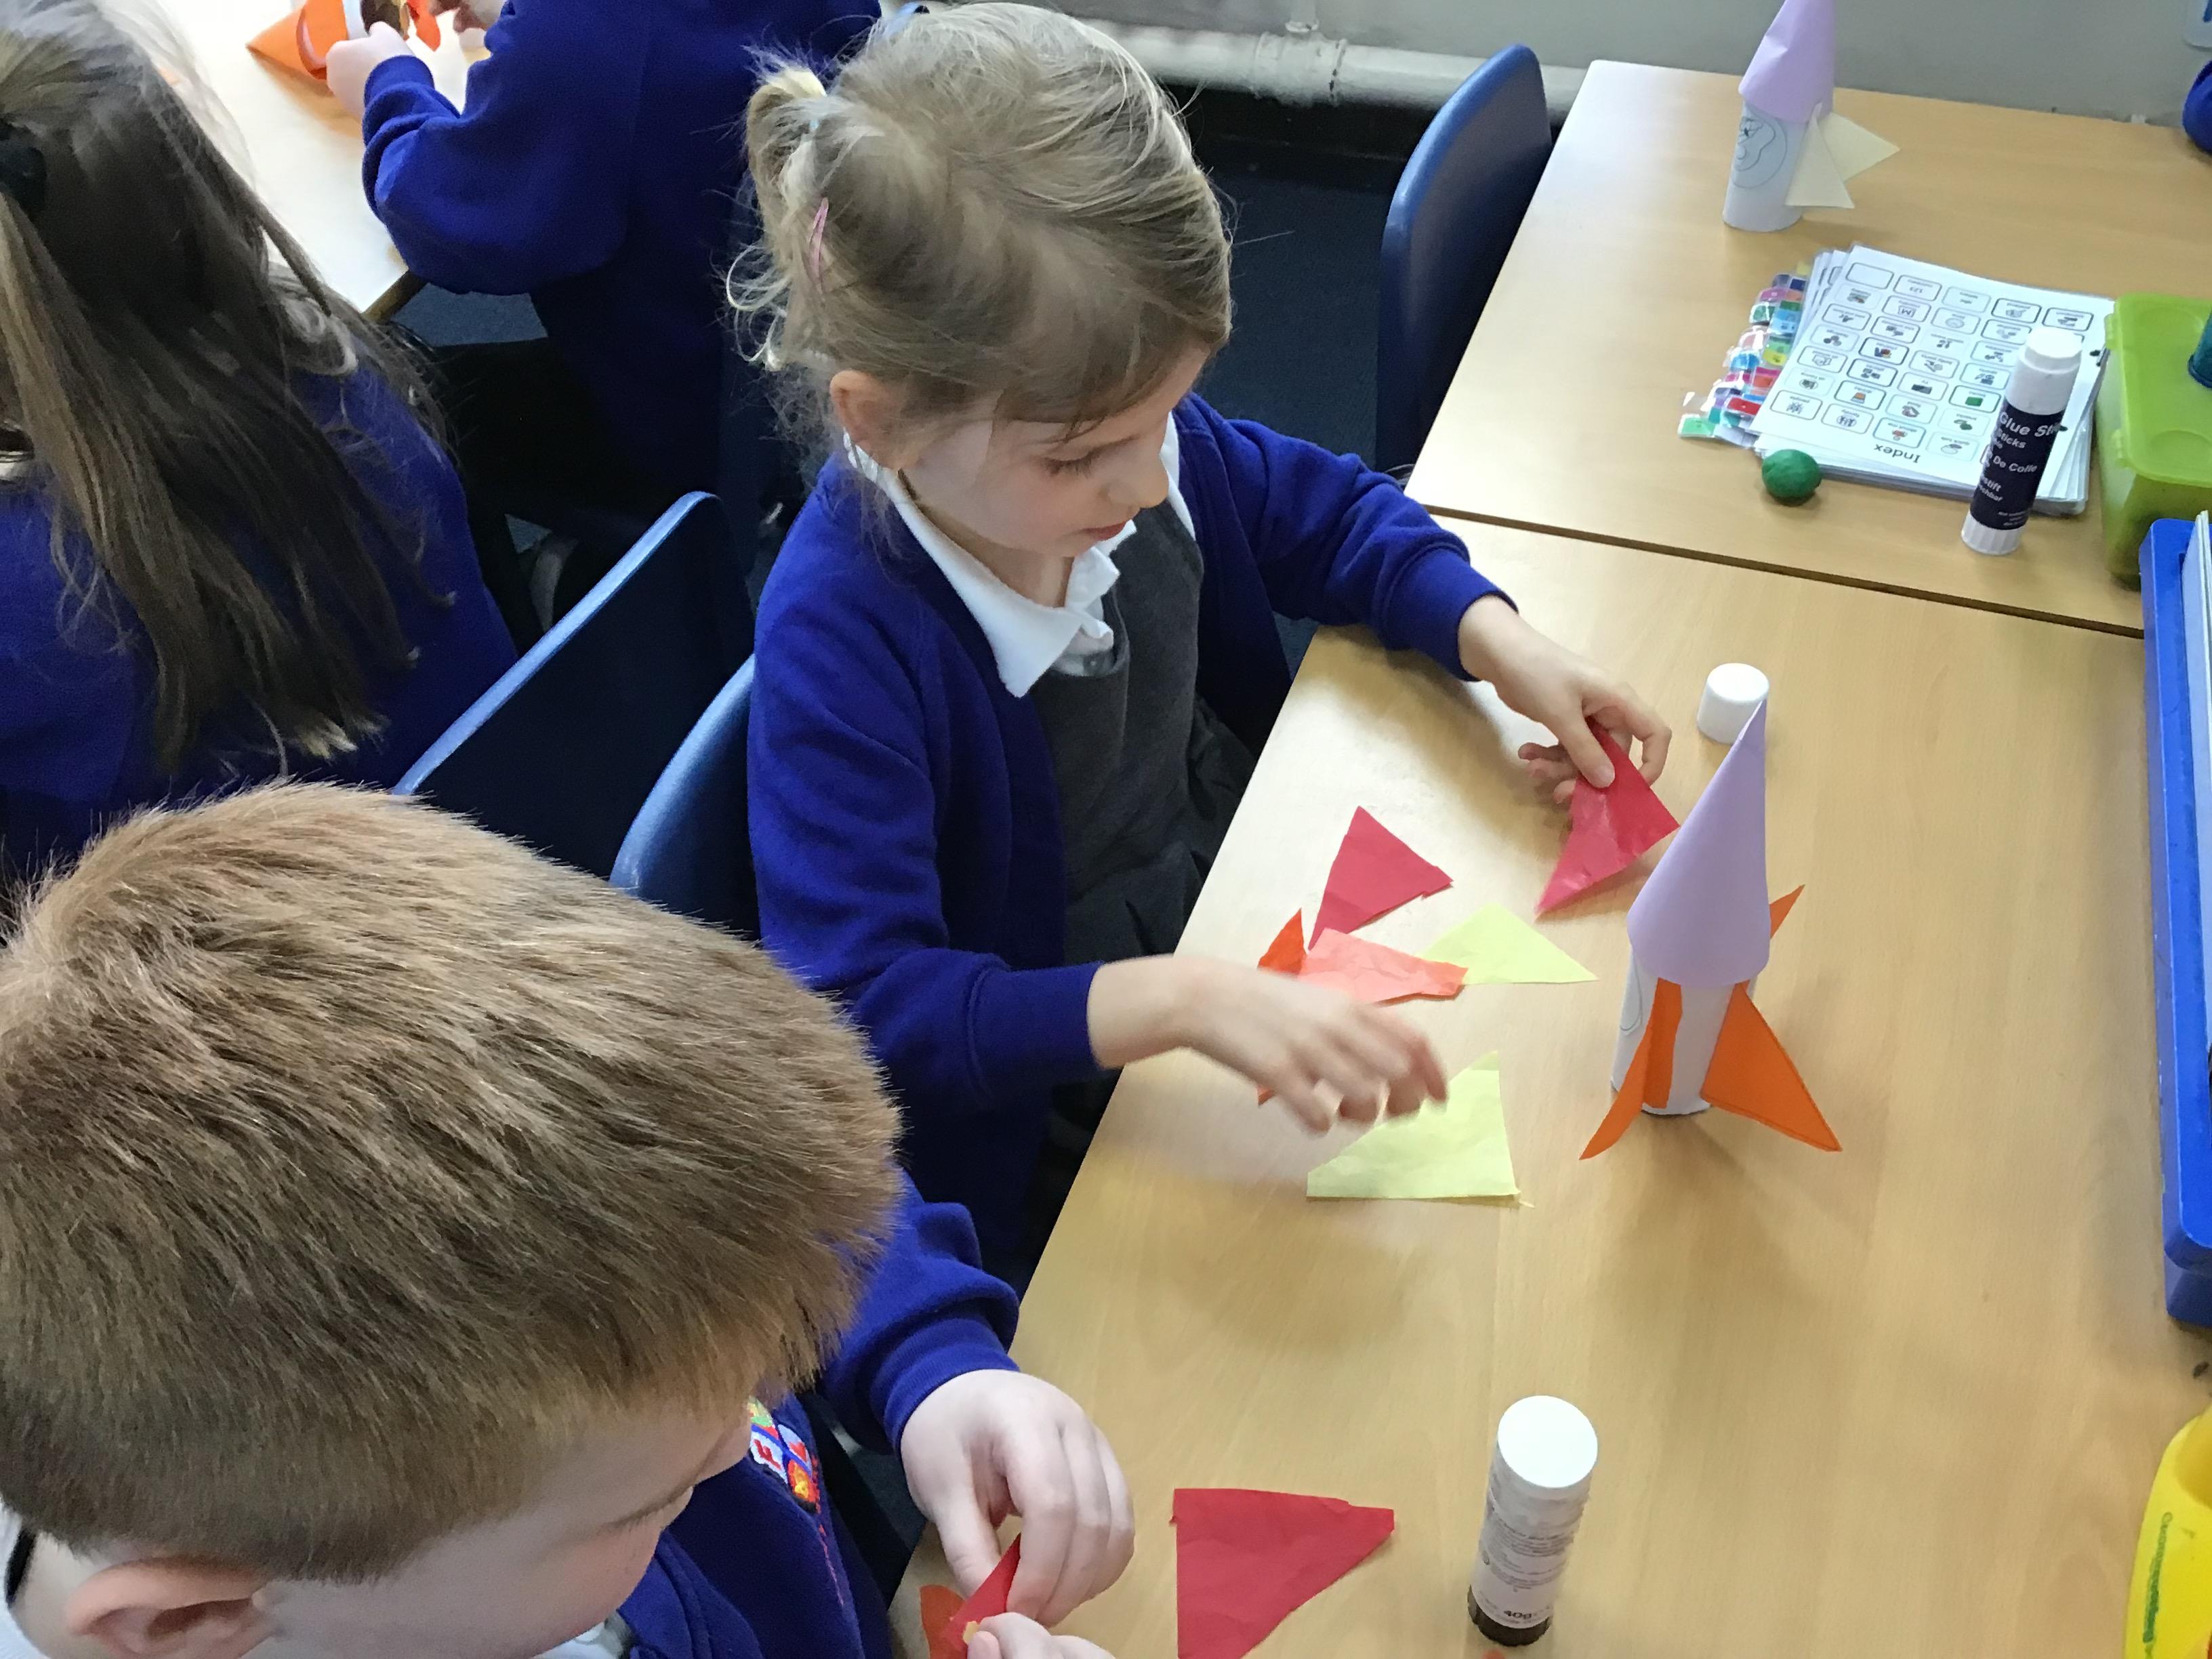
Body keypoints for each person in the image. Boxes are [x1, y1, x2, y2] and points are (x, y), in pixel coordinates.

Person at [735, 3, 1672, 1260]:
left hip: (1238, 904)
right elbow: (871, 1013)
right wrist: (1175, 1000)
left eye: (1165, 418)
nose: (1143, 483)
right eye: (1080, 457)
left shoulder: (1114, 432)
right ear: (881, 422)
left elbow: (1328, 514)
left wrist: (1501, 640)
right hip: (1068, 1089)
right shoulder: (844, 641)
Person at [0, 785, 1128, 1659]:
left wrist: (927, 1360)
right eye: (650, 1502)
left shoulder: (467, 1500)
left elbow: (753, 1217)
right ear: (192, 1623)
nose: (743, 1427)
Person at [0, 0, 512, 874]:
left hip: (238, 949)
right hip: (503, 847)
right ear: (193, 182)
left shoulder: (32, 590)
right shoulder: (346, 372)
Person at [326, 0, 876, 620]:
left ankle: (512, 635)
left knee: (392, 393)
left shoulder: (585, 32)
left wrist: (387, 83)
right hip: (790, 363)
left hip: (661, 421)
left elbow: (450, 223)